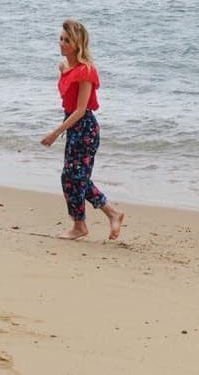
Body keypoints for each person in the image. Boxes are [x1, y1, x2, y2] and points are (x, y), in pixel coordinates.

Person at [41, 19, 124, 240]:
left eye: (67, 40)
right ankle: (109, 214)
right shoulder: (64, 67)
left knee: (73, 177)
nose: (62, 43)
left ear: (78, 44)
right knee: (74, 178)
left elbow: (80, 110)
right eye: (61, 38)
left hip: (85, 128)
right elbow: (69, 106)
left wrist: (55, 133)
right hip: (73, 126)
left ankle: (81, 225)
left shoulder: (86, 70)